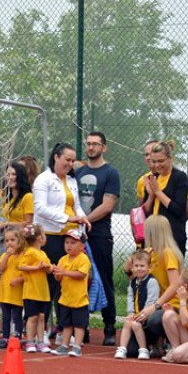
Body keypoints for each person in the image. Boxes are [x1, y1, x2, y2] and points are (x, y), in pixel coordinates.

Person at [32, 142, 89, 341]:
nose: (70, 164)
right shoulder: (43, 179)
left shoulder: (71, 180)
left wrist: (82, 220)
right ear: (56, 157)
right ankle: (40, 331)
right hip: (50, 237)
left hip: (69, 237)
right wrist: (68, 218)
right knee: (49, 284)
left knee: (65, 285)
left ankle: (63, 330)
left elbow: (77, 206)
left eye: (73, 161)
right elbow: (40, 209)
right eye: (67, 160)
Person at [75, 131, 121, 345]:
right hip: (78, 234)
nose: (91, 147)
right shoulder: (78, 172)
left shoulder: (111, 173)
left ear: (104, 147)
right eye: (88, 143)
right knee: (79, 279)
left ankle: (109, 326)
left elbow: (107, 205)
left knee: (103, 278)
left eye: (95, 144)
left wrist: (86, 220)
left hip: (100, 234)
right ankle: (81, 326)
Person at [123, 214, 183, 357]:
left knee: (154, 320)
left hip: (169, 304)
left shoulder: (168, 253)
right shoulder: (149, 252)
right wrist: (128, 271)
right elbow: (137, 280)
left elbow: (175, 285)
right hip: (150, 303)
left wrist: (154, 306)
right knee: (132, 350)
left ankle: (170, 342)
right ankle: (154, 344)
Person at [140, 140, 188, 255]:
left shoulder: (179, 177)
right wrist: (151, 196)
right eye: (154, 161)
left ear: (170, 158)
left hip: (172, 237)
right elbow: (145, 212)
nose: (157, 165)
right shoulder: (152, 178)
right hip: (152, 237)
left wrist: (158, 192)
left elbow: (179, 210)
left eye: (161, 161)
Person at [52, 230, 91, 357]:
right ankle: (64, 345)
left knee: (79, 325)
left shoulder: (83, 259)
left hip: (79, 299)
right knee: (66, 324)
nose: (69, 245)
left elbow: (81, 274)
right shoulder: (62, 259)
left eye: (73, 243)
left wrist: (64, 272)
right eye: (67, 242)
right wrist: (56, 272)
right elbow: (58, 278)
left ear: (82, 246)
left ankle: (77, 346)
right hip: (65, 298)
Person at [115, 250, 160, 360]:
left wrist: (142, 315)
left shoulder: (152, 282)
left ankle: (143, 349)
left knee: (135, 324)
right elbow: (130, 298)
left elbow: (151, 301)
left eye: (142, 266)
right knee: (128, 322)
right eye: (136, 266)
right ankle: (122, 348)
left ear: (149, 267)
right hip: (136, 316)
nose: (139, 268)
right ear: (132, 268)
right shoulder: (133, 282)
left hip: (147, 318)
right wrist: (131, 313)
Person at [18, 224, 51, 353]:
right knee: (32, 317)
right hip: (32, 291)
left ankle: (41, 341)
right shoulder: (30, 252)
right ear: (39, 238)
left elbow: (47, 269)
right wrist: (36, 267)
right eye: (44, 235)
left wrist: (49, 268)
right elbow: (21, 266)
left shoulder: (42, 253)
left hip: (42, 292)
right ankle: (30, 341)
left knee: (42, 317)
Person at [0, 225, 26, 350]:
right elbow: (1, 268)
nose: (9, 243)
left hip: (17, 292)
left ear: (20, 241)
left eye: (12, 240)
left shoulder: (23, 256)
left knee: (17, 316)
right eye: (7, 240)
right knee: (5, 316)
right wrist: (7, 255)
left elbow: (26, 274)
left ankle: (17, 337)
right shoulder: (5, 255)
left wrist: (18, 280)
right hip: (5, 291)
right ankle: (5, 338)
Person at [0, 161, 34, 231]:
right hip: (8, 236)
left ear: (21, 176)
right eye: (8, 175)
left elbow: (29, 223)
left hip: (22, 236)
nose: (10, 177)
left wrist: (7, 224)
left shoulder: (28, 197)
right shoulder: (7, 199)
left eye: (14, 174)